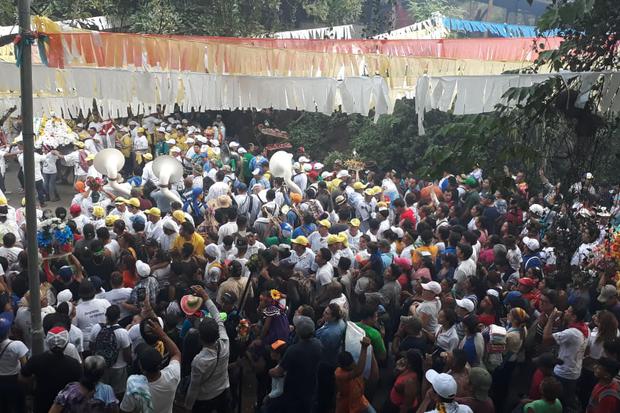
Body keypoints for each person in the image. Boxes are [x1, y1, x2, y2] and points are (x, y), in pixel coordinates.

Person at [184, 285, 230, 413]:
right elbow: (217, 316)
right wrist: (205, 296)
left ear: (201, 338)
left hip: (205, 399)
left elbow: (194, 387)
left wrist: (188, 407)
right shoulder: (225, 342)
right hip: (223, 390)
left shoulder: (199, 361)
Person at [120, 319, 181, 413]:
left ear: (142, 369)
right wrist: (162, 334)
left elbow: (125, 410)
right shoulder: (172, 376)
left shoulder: (134, 384)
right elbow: (176, 353)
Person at [20, 326, 83, 413]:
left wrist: (32, 385)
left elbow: (22, 377)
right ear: (66, 343)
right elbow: (80, 385)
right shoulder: (74, 364)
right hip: (65, 406)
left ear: (48, 342)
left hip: (41, 403)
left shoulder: (36, 360)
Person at [269, 315, 322, 413]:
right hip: (311, 387)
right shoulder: (318, 344)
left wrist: (270, 371)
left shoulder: (293, 350)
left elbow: (278, 372)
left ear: (297, 331)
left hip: (294, 391)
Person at [543, 305, 589, 411]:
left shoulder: (572, 333)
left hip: (563, 372)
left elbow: (546, 339)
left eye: (568, 311)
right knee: (567, 397)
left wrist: (551, 319)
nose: (565, 311)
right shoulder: (585, 328)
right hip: (574, 370)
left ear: (574, 317)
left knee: (558, 400)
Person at [48, 355, 119, 412]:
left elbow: (54, 410)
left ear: (83, 370)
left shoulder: (70, 389)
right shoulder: (107, 390)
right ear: (102, 373)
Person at [90, 305, 132, 397]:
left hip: (100, 365)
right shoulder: (123, 332)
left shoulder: (97, 328)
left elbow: (91, 346)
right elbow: (127, 354)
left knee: (100, 392)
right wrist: (130, 363)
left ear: (106, 315)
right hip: (118, 368)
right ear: (119, 317)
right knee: (117, 394)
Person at [334, 336, 374, 413]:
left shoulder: (352, 366)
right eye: (350, 366)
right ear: (344, 367)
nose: (354, 366)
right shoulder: (339, 374)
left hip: (359, 400)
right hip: (347, 404)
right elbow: (358, 371)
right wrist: (364, 348)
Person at [0, 311, 28, 413]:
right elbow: (25, 366)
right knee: (18, 406)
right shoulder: (17, 345)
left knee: (3, 407)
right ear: (8, 331)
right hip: (15, 380)